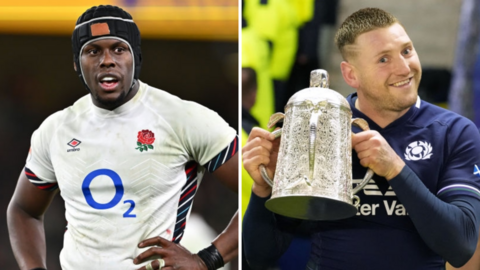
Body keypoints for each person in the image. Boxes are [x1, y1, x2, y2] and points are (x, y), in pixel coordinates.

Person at [242, 7, 480, 270]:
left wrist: (395, 169)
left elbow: (461, 247)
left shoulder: (454, 131)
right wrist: (263, 190)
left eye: (407, 50)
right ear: (351, 74)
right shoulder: (318, 126)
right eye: (383, 60)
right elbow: (260, 257)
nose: (404, 68)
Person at [7, 5, 238, 270]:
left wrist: (207, 259)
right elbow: (23, 211)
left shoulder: (183, 119)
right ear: (76, 64)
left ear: (135, 57)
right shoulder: (55, 129)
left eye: (119, 49)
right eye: (92, 51)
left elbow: (258, 191)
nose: (107, 60)